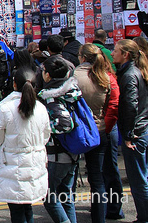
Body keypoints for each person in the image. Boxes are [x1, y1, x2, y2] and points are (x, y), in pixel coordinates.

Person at [0, 68, 51, 223]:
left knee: (17, 210)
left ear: (14, 84)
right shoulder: (41, 108)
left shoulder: (5, 108)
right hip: (34, 164)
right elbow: (45, 136)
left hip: (12, 165)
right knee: (27, 207)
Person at [74, 44, 119, 223]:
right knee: (97, 178)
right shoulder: (107, 78)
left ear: (83, 58)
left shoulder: (74, 76)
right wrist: (105, 127)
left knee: (70, 175)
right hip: (99, 131)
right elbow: (113, 107)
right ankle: (99, 218)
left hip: (77, 132)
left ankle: (68, 215)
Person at [38, 55, 80, 223]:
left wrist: (45, 129)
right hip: (72, 150)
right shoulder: (72, 92)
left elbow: (65, 124)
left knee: (49, 197)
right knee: (65, 195)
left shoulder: (51, 96)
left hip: (57, 154)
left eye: (43, 71)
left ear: (48, 75)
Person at [111, 39, 148, 223]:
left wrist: (128, 135)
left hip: (136, 133)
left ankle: (144, 217)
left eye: (116, 50)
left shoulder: (129, 75)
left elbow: (131, 106)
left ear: (125, 54)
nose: (112, 53)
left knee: (138, 179)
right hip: (141, 129)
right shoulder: (135, 71)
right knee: (142, 177)